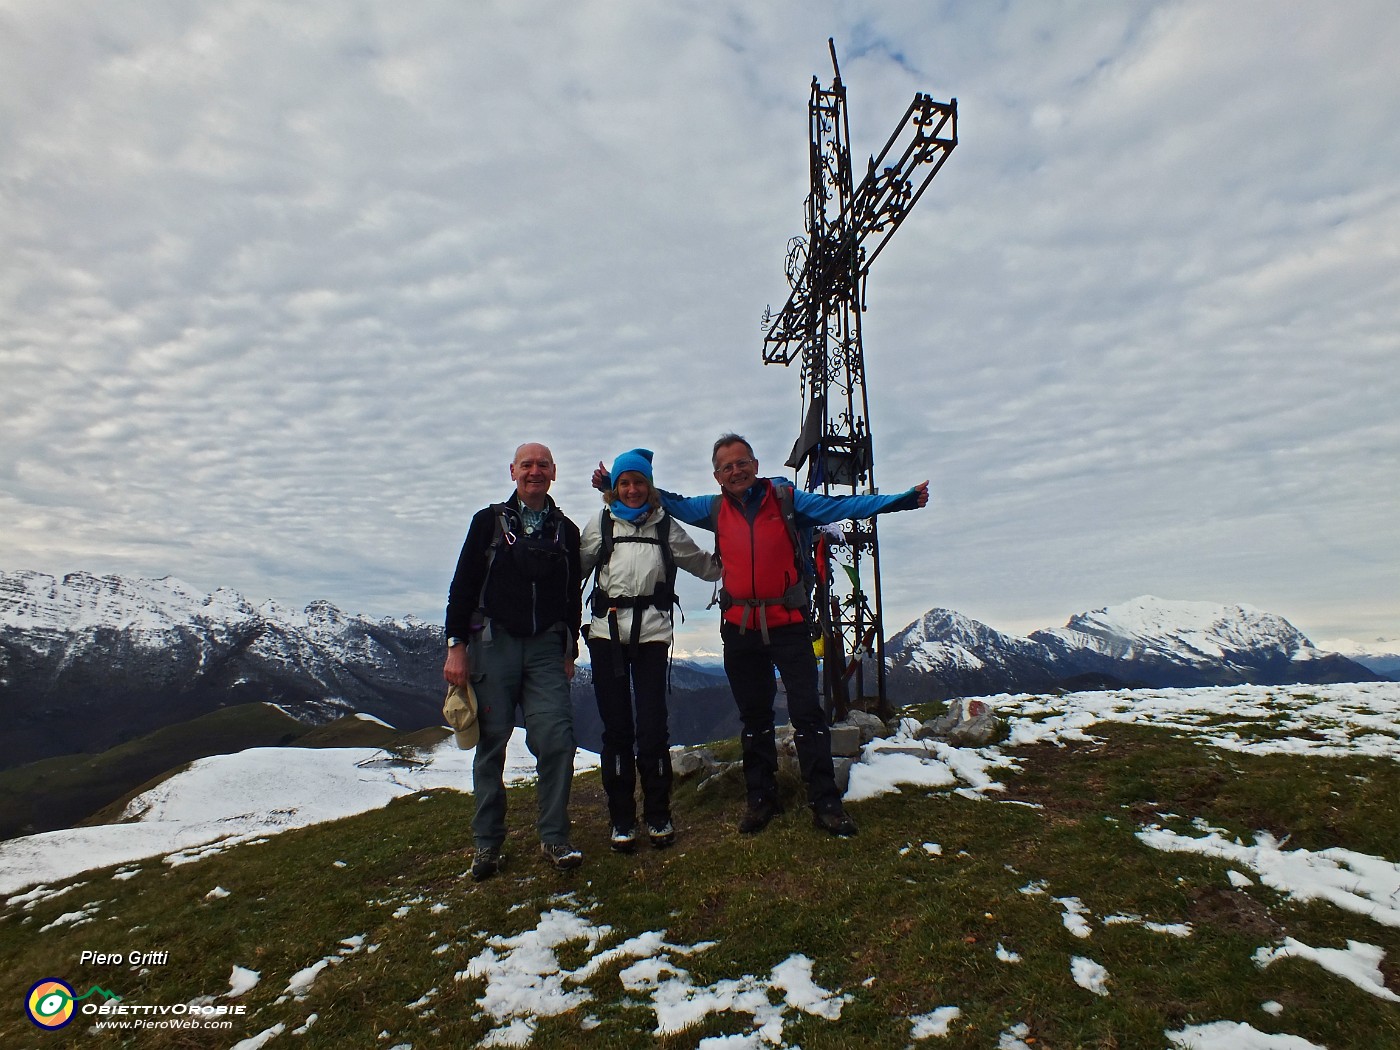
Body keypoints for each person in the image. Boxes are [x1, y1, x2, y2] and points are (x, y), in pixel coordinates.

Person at [594, 433, 928, 838]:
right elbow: (667, 500)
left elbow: (842, 506)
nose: (736, 471)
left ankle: (824, 801)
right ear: (717, 475)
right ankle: (761, 798)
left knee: (807, 714)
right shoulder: (714, 508)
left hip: (788, 624)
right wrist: (615, 485)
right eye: (726, 466)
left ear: (754, 463)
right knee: (754, 718)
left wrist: (901, 499)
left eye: (742, 463)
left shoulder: (786, 500)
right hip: (740, 628)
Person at [445, 442, 584, 879]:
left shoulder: (567, 531)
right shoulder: (487, 523)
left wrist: (568, 649)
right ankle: (487, 845)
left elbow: (571, 598)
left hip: (546, 649)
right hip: (493, 644)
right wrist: (455, 646)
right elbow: (463, 586)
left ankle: (555, 838)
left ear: (554, 472)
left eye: (542, 465)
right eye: (527, 465)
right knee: (490, 744)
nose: (535, 472)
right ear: (513, 472)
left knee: (557, 739)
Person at [580, 448, 722, 853]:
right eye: (625, 483)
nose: (632, 489)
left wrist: (738, 558)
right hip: (606, 633)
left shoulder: (665, 526)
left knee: (653, 728)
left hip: (653, 636)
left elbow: (702, 564)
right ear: (615, 487)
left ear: (649, 486)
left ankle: (658, 815)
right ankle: (622, 819)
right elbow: (575, 568)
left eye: (639, 482)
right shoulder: (602, 524)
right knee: (617, 729)